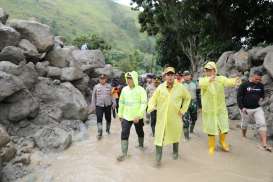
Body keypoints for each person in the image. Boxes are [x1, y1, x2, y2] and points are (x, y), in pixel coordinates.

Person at [148, 67, 191, 167]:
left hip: (175, 117)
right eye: (168, 75)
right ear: (165, 76)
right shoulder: (160, 88)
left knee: (175, 135)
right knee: (159, 137)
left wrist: (183, 110)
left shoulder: (180, 87)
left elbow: (188, 98)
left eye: (172, 74)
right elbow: (153, 99)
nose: (170, 77)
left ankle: (175, 153)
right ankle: (158, 160)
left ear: (174, 76)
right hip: (162, 118)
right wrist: (151, 106)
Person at [199, 62, 240, 155]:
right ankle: (212, 146)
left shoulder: (220, 79)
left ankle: (223, 143)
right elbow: (201, 84)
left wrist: (235, 81)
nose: (208, 72)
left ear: (215, 70)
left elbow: (228, 82)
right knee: (211, 128)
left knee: (224, 127)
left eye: (210, 70)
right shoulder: (203, 80)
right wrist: (210, 79)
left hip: (220, 109)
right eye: (207, 70)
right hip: (209, 110)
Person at [237, 70, 272, 152]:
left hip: (257, 108)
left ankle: (264, 144)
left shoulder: (260, 85)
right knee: (244, 124)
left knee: (262, 124)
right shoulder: (244, 85)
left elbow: (262, 95)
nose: (258, 81)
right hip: (245, 108)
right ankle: (243, 135)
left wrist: (262, 99)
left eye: (259, 79)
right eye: (256, 79)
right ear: (252, 76)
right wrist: (242, 108)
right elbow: (239, 97)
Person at [117, 71, 147, 162]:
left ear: (134, 79)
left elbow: (144, 104)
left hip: (137, 117)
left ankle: (141, 145)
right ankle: (124, 153)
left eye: (131, 78)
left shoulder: (141, 90)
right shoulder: (124, 89)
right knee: (124, 133)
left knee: (140, 131)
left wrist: (138, 115)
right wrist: (120, 114)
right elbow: (121, 102)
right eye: (128, 78)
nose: (129, 80)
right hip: (126, 116)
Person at [90, 74, 116, 140]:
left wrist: (114, 103)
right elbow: (93, 97)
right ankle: (100, 132)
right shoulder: (96, 87)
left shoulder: (109, 86)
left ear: (106, 79)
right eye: (101, 79)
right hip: (99, 105)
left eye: (104, 79)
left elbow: (113, 95)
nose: (102, 80)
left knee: (108, 118)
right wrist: (93, 106)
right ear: (99, 79)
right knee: (99, 118)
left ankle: (107, 130)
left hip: (108, 105)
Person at [182, 70, 198, 140]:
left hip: (193, 102)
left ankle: (191, 129)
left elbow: (199, 93)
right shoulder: (181, 85)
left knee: (194, 118)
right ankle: (186, 137)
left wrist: (199, 105)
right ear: (183, 76)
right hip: (185, 103)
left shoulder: (195, 83)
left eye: (188, 75)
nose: (187, 76)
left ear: (190, 76)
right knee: (185, 120)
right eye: (185, 75)